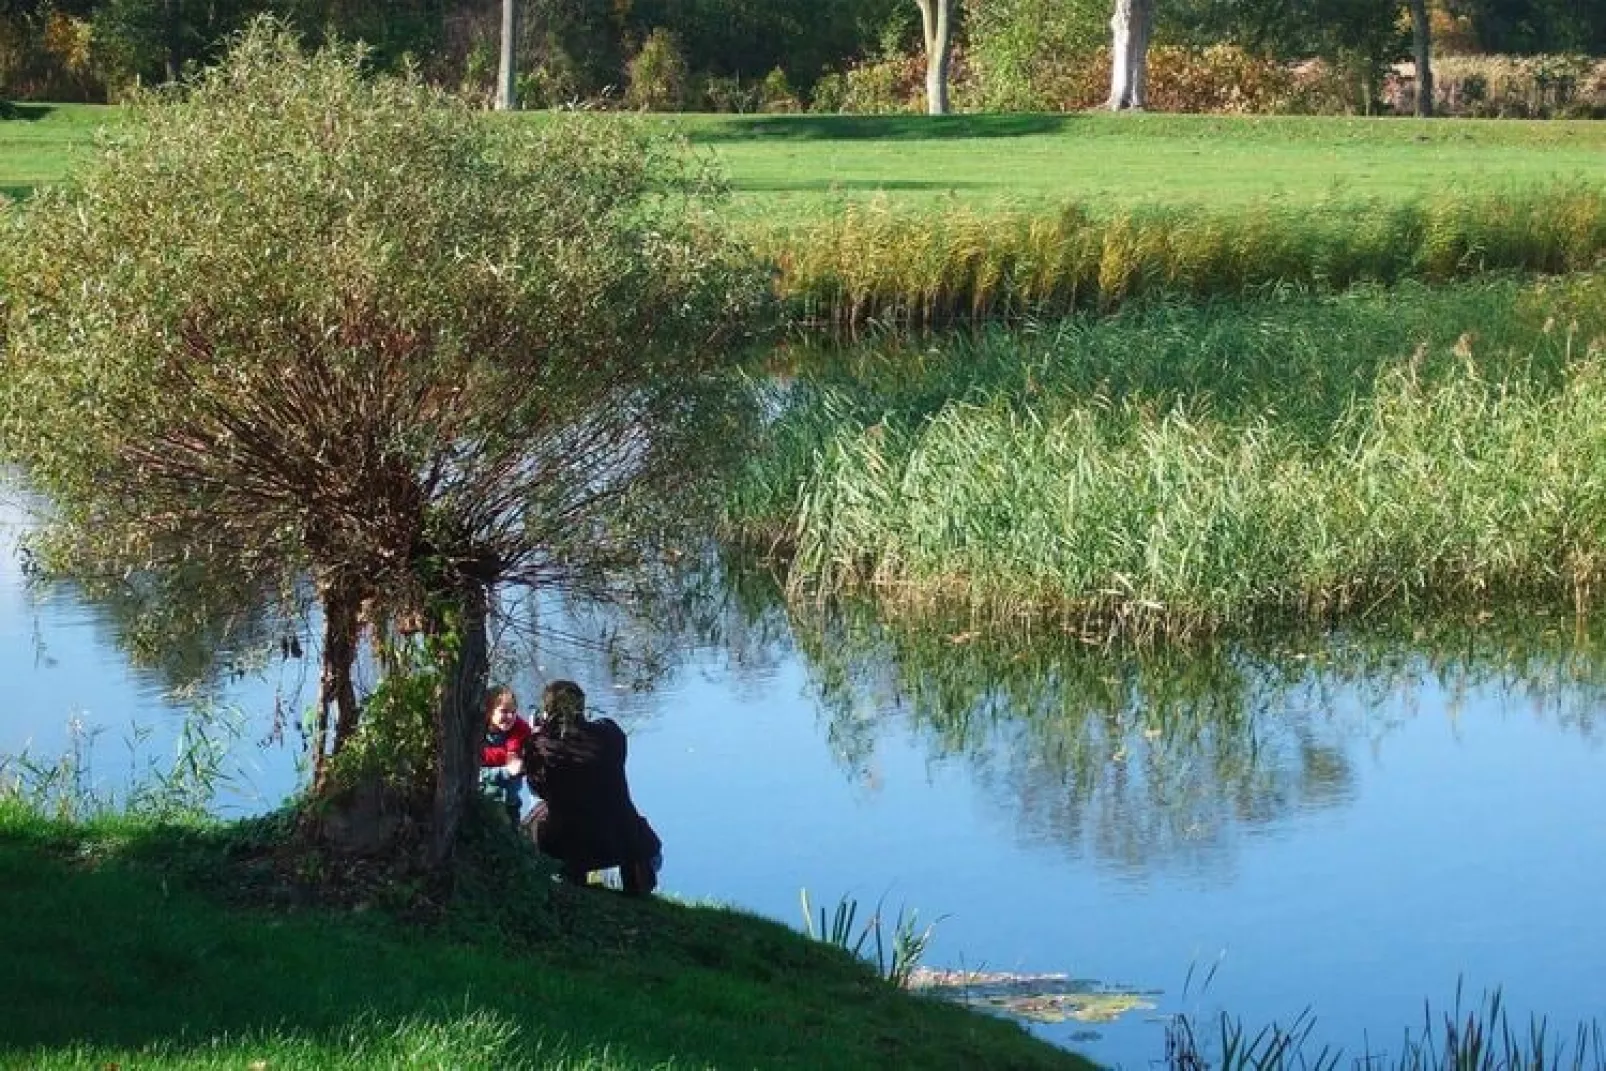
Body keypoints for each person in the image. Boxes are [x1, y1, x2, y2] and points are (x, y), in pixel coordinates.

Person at [522, 679, 662, 895]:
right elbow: (614, 749)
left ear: (547, 710)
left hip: (568, 842)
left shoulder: (539, 745)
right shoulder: (610, 734)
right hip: (623, 836)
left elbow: (537, 788)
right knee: (637, 839)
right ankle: (638, 882)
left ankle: (568, 879)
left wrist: (537, 736)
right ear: (582, 706)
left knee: (531, 823)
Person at [480, 685, 533, 825]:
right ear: (489, 711)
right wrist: (506, 770)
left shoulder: (518, 731)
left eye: (513, 712)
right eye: (504, 711)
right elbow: (475, 773)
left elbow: (523, 759)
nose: (510, 717)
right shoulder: (478, 735)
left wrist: (520, 763)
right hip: (485, 802)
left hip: (512, 802)